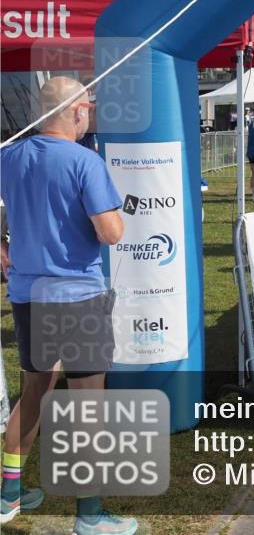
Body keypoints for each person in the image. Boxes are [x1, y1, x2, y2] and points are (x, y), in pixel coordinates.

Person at [0, 77, 137, 534]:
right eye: (88, 111)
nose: (90, 118)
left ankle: (9, 495)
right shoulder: (84, 161)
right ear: (76, 111)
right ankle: (89, 514)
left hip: (28, 296)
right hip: (78, 298)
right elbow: (111, 232)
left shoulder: (9, 155)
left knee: (34, 392)